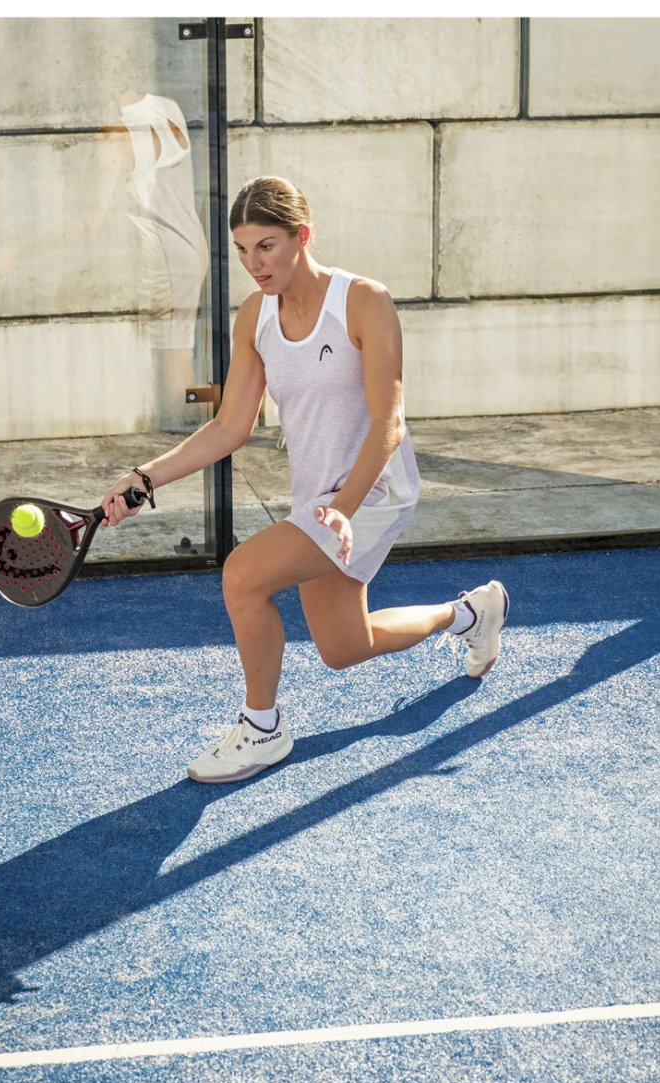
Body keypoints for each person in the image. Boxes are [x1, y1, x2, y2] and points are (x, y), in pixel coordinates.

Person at [102, 176, 508, 783]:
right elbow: (230, 427)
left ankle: (261, 729)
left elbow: (389, 423)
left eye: (266, 246)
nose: (254, 263)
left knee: (242, 576)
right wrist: (145, 478)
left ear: (302, 236)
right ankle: (473, 613)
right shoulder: (255, 317)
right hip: (320, 499)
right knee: (344, 648)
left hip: (373, 490)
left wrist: (344, 509)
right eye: (243, 250)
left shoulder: (364, 302)